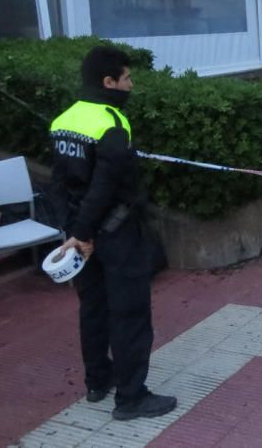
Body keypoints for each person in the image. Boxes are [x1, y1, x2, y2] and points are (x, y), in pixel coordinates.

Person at [50, 46, 176, 420]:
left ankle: (97, 383)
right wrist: (85, 232)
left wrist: (72, 233)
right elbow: (105, 186)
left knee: (93, 310)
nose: (131, 84)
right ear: (109, 82)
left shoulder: (63, 120)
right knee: (130, 315)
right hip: (116, 236)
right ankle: (132, 397)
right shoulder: (113, 123)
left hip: (80, 239)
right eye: (127, 79)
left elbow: (57, 184)